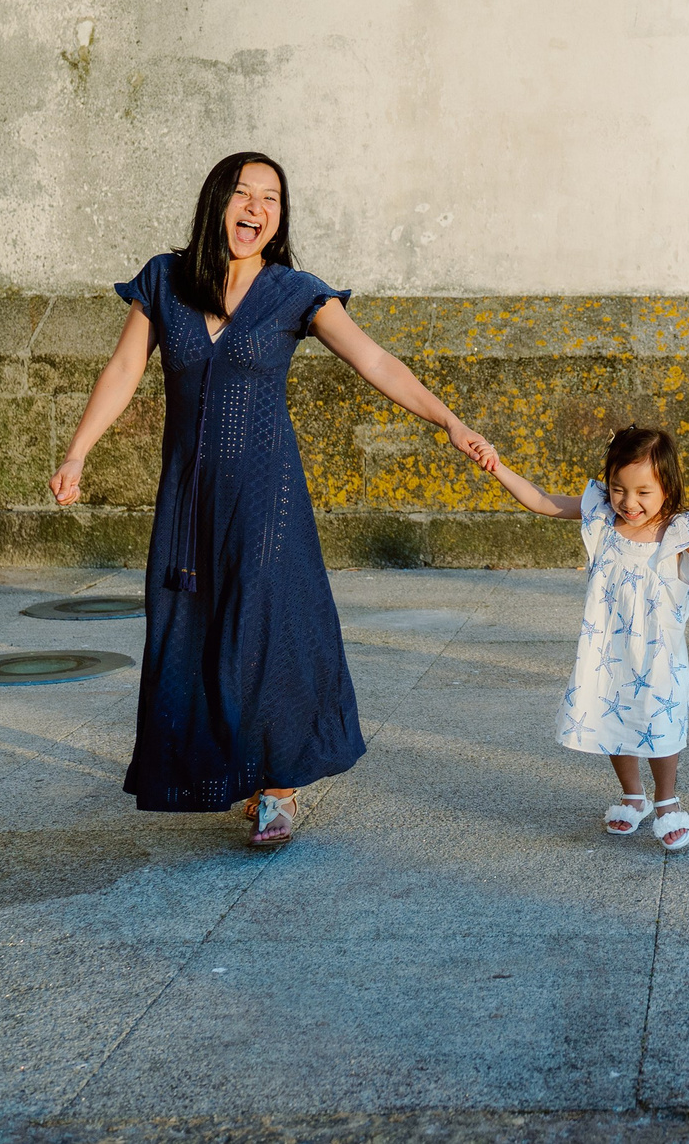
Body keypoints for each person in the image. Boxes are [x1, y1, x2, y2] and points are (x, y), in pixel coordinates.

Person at [49, 151, 495, 845]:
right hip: (189, 497)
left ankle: (278, 784)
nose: (256, 207)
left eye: (271, 198)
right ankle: (230, 769)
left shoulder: (294, 291)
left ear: (279, 217)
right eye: (243, 192)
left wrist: (449, 421)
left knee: (262, 625)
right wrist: (78, 451)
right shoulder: (165, 281)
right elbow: (125, 367)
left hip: (266, 494)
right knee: (192, 627)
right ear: (216, 201)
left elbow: (375, 359)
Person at [477, 426, 689, 853]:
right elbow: (542, 501)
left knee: (660, 725)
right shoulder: (603, 518)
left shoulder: (681, 533)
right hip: (606, 651)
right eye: (618, 488)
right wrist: (497, 466)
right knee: (611, 719)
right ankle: (632, 794)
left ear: (668, 486)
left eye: (644, 491)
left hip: (659, 658)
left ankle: (667, 799)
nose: (629, 502)